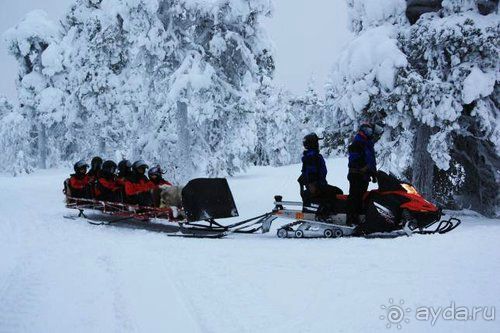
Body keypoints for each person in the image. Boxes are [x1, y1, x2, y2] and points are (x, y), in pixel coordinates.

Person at [347, 121, 384, 226]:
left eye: (370, 131)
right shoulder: (358, 142)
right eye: (367, 130)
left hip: (364, 175)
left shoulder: (367, 143)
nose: (369, 133)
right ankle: (351, 219)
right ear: (362, 130)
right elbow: (354, 159)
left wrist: (373, 173)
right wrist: (363, 168)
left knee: (361, 196)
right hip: (357, 174)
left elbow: (370, 160)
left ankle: (359, 217)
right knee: (355, 196)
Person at [298, 133, 342, 217]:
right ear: (313, 144)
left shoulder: (312, 155)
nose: (318, 145)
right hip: (317, 187)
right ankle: (325, 214)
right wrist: (314, 187)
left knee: (337, 192)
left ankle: (328, 212)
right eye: (317, 143)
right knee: (337, 192)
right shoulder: (312, 156)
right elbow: (311, 173)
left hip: (319, 185)